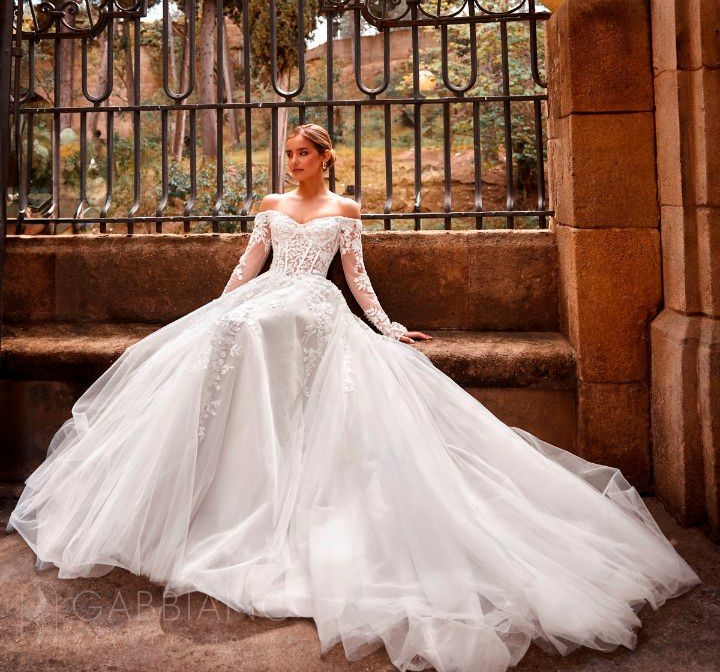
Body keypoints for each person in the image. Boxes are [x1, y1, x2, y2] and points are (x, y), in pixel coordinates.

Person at [6, 123, 700, 672]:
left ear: (325, 159)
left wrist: (389, 327)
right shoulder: (271, 207)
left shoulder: (344, 209)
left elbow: (357, 277)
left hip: (315, 304)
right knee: (241, 329)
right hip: (267, 301)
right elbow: (248, 265)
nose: (291, 163)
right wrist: (217, 309)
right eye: (287, 154)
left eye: (302, 154)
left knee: (293, 321)